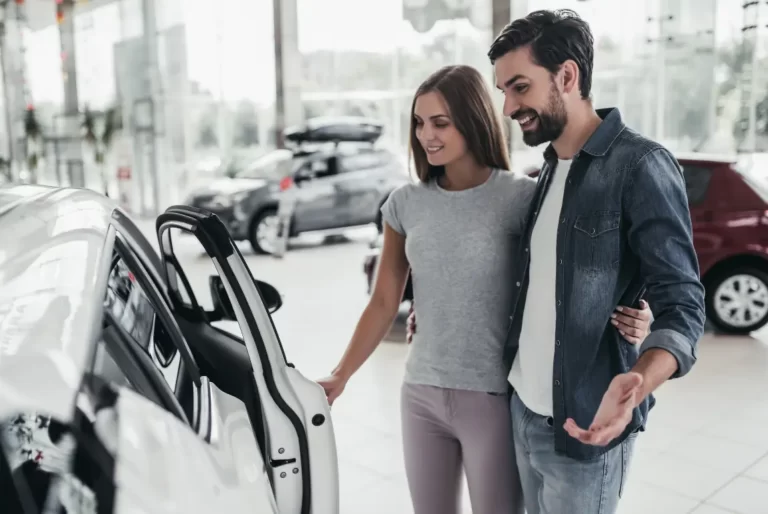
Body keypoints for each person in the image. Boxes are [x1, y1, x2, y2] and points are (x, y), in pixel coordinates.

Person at [317, 63, 653, 514]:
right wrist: (341, 374)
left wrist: (636, 313)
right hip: (421, 392)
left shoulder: (520, 197)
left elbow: (565, 280)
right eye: (418, 122)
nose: (426, 135)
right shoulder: (404, 204)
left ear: (473, 121)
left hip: (492, 399)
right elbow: (383, 302)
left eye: (441, 122)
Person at [410, 9, 707, 514]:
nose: (507, 106)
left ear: (567, 76)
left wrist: (641, 381)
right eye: (503, 90)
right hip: (521, 412)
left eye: (519, 87)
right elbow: (536, 287)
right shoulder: (544, 173)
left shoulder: (640, 165)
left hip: (584, 426)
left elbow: (683, 302)